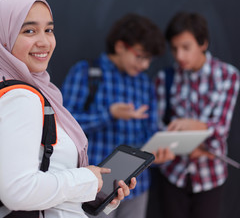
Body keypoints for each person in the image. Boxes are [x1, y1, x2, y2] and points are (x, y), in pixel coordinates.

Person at [0, 0, 137, 218]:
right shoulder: (21, 98)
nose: (44, 41)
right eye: (29, 30)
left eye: (48, 30)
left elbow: (47, 183)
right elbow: (17, 191)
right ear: (2, 36)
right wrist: (87, 178)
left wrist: (97, 193)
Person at [60, 13, 174, 218]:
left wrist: (158, 152)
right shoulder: (86, 73)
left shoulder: (144, 84)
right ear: (120, 46)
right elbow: (65, 126)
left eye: (150, 59)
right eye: (140, 56)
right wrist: (109, 114)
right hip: (94, 186)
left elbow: (150, 131)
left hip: (137, 187)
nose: (146, 65)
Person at [154, 11, 240, 218]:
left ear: (203, 43)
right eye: (174, 49)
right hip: (173, 173)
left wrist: (191, 125)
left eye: (186, 47)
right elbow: (158, 127)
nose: (179, 56)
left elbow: (221, 128)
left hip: (210, 175)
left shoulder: (228, 75)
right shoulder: (165, 78)